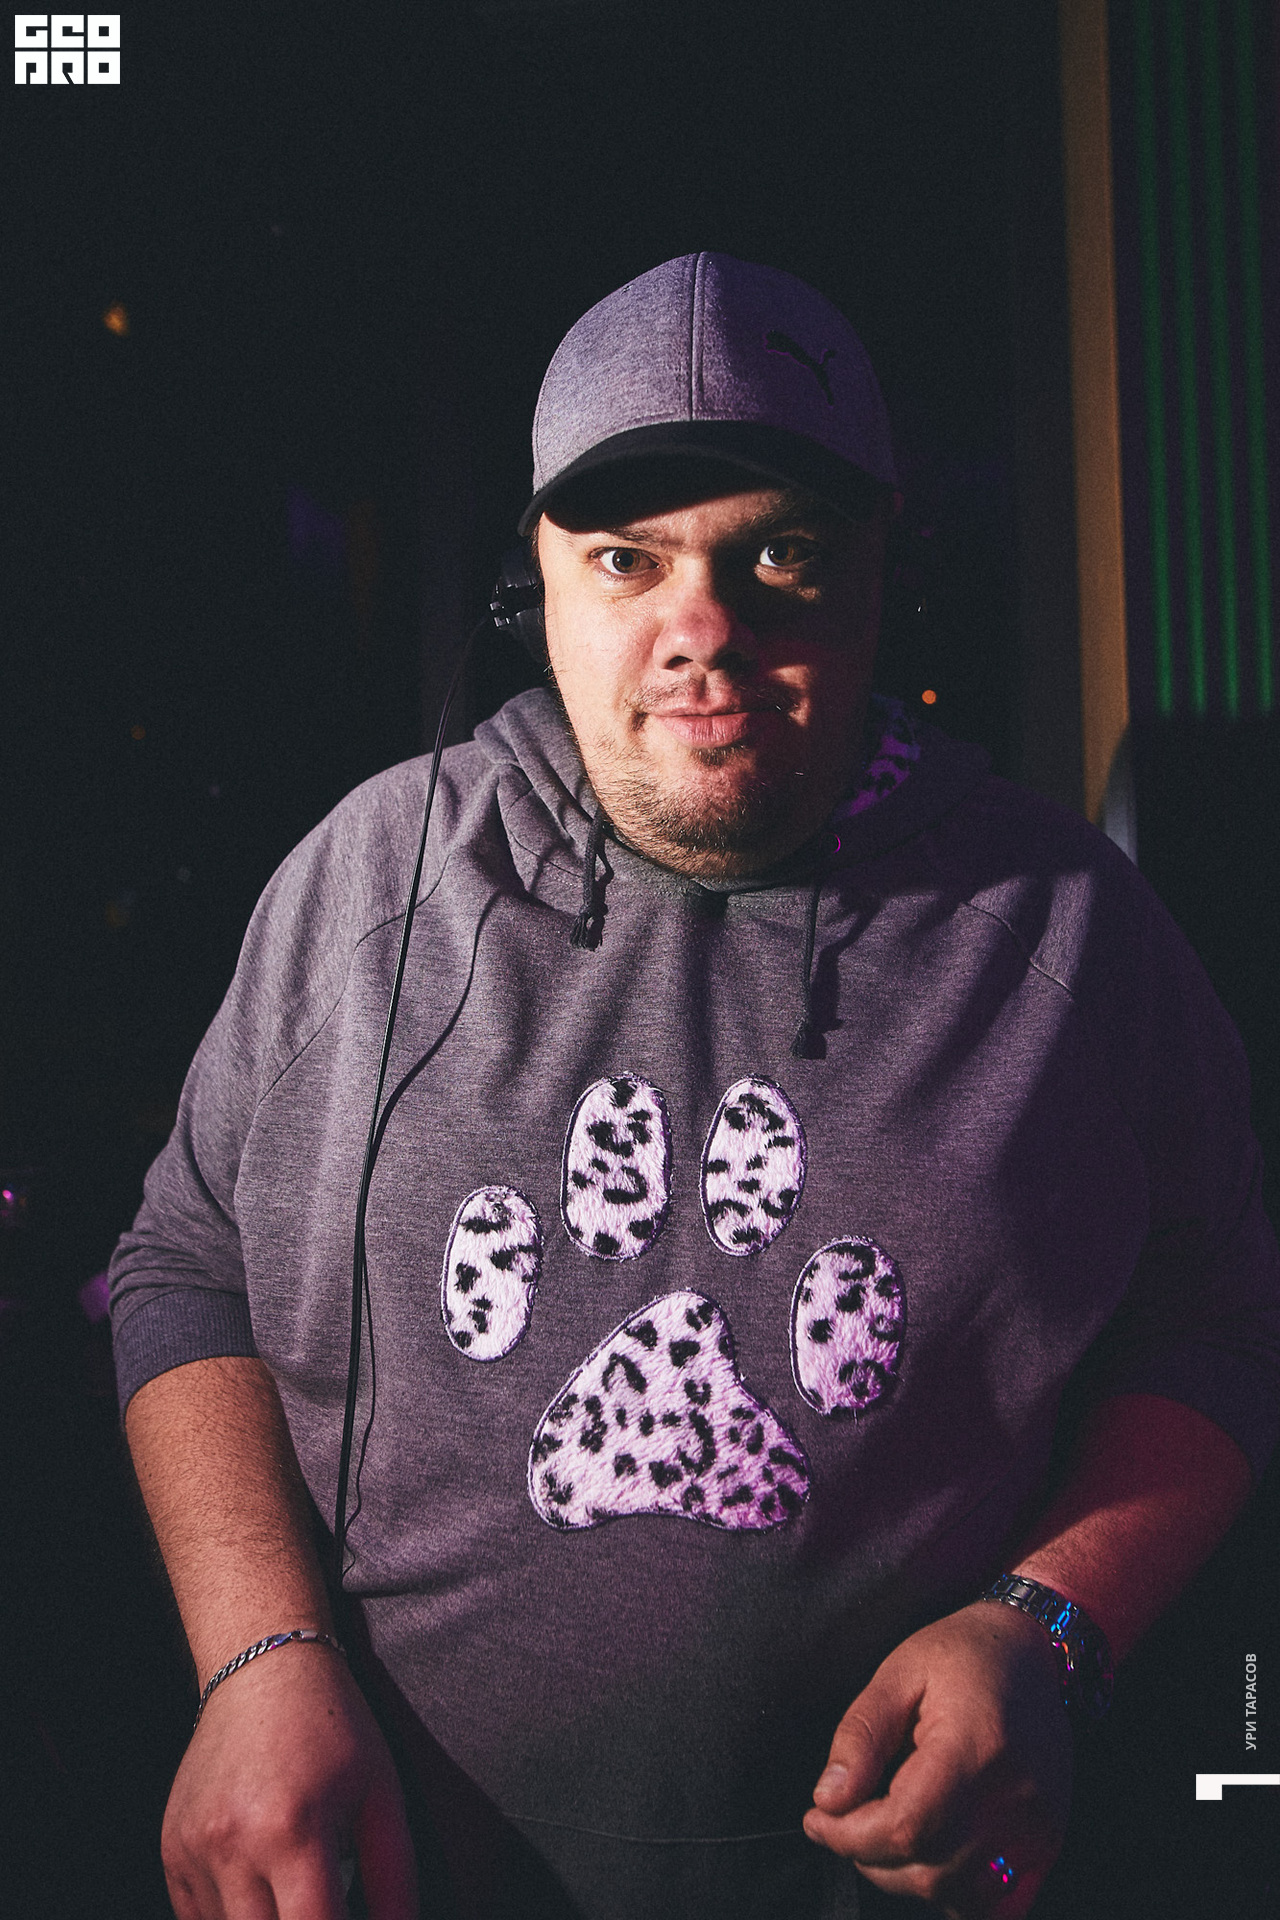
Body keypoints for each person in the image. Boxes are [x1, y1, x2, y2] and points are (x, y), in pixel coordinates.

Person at [109, 252, 1280, 1920]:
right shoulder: (365, 887)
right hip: (405, 1876)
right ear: (533, 580)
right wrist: (253, 1658)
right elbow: (187, 1266)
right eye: (627, 560)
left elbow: (1219, 1319)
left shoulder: (1072, 937)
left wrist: (1051, 1622)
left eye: (778, 555)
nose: (703, 631)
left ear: (883, 568)